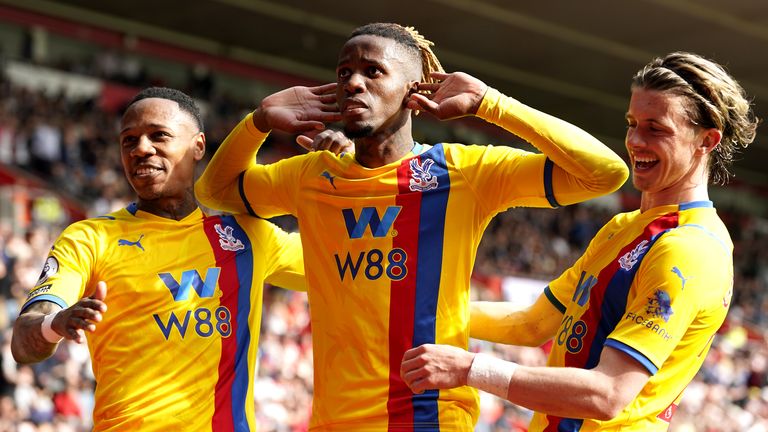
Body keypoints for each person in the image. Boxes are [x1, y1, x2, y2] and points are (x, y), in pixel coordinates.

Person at [195, 22, 628, 430]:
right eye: (344, 72)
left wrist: (492, 104)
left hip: (430, 417)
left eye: (373, 71)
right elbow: (215, 192)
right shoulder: (311, 176)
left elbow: (604, 173)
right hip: (333, 421)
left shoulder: (463, 172)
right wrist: (259, 122)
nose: (353, 83)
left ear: (411, 90)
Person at [400, 51, 759, 431]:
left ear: (706, 141)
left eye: (656, 128)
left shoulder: (689, 248)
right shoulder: (624, 226)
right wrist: (410, 313)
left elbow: (607, 393)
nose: (635, 141)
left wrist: (471, 368)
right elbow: (533, 323)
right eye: (632, 123)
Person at [10, 87, 320, 431]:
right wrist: (55, 324)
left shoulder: (248, 237)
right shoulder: (90, 238)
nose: (141, 149)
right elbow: (24, 343)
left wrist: (342, 176)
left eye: (159, 135)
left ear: (198, 146)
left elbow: (338, 264)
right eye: (129, 141)